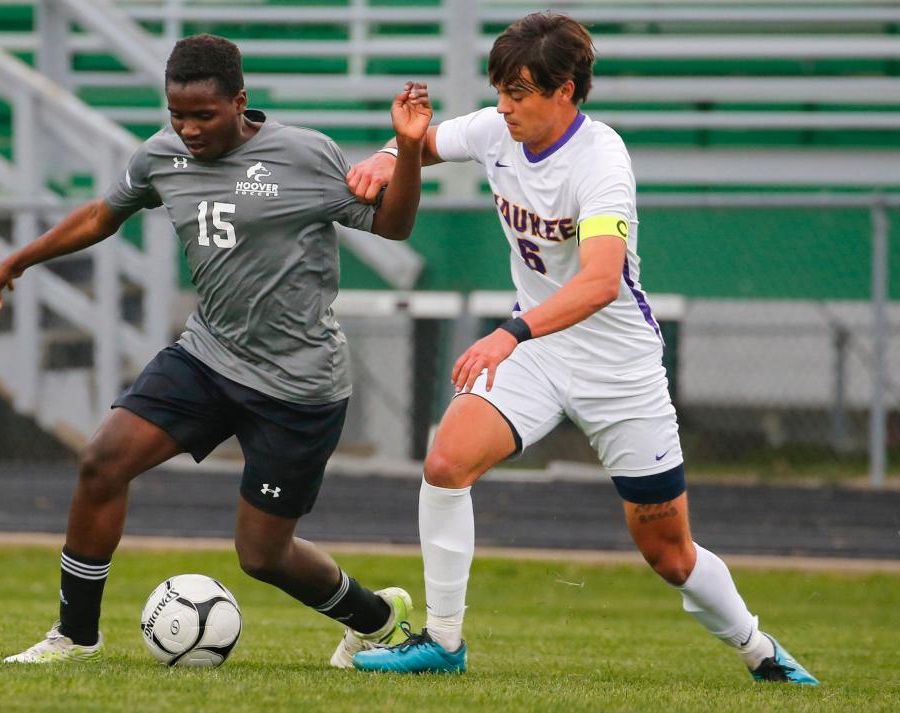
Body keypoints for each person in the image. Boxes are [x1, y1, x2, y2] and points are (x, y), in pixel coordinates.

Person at [345, 13, 818, 684]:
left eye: (518, 92)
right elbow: (424, 143)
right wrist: (390, 152)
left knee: (669, 552)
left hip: (617, 369)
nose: (503, 106)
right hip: (538, 352)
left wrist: (510, 331)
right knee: (447, 461)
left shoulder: (601, 161)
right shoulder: (494, 130)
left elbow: (599, 281)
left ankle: (759, 648)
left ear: (565, 90)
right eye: (500, 90)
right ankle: (443, 641)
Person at [0, 34, 432, 668]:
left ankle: (376, 618)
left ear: (240, 103)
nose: (186, 129)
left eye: (203, 116)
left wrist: (405, 151)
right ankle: (75, 636)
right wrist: (17, 261)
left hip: (298, 385)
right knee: (103, 460)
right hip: (207, 357)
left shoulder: (304, 154)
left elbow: (393, 225)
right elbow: (104, 214)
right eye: (175, 115)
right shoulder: (160, 156)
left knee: (262, 556)